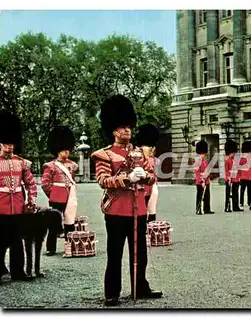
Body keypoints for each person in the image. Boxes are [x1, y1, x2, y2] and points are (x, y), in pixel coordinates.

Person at [90, 95, 163, 306]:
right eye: (122, 127)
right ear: (113, 130)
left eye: (129, 127)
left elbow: (152, 176)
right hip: (116, 210)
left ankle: (140, 287)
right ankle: (112, 293)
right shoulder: (105, 155)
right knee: (115, 254)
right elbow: (103, 180)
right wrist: (126, 179)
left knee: (140, 253)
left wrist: (144, 176)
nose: (127, 131)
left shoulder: (140, 153)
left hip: (138, 209)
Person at [0, 110, 37, 282]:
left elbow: (30, 183)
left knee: (16, 242)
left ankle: (17, 271)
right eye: (6, 144)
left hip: (18, 207)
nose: (10, 147)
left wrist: (31, 198)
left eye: (12, 144)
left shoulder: (21, 163)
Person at [41, 126, 78, 256]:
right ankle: (51, 248)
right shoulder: (50, 166)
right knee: (54, 223)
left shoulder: (72, 165)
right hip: (57, 197)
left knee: (70, 221)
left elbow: (71, 181)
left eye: (67, 149)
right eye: (64, 149)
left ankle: (70, 246)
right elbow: (45, 184)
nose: (66, 152)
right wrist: (53, 195)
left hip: (70, 196)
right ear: (58, 150)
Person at [134, 123, 160, 222]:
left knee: (151, 215)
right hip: (141, 190)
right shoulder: (138, 155)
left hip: (150, 188)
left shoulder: (151, 159)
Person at [194, 140, 214, 215]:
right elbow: (197, 173)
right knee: (200, 196)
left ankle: (207, 209)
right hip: (200, 182)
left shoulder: (205, 161)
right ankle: (198, 209)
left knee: (207, 196)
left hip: (206, 181)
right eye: (202, 153)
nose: (203, 155)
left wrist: (207, 179)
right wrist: (201, 181)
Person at [224, 139, 243, 212]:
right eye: (232, 153)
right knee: (228, 194)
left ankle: (236, 206)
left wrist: (239, 177)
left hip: (236, 179)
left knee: (235, 194)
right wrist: (228, 178)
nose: (233, 154)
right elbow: (226, 170)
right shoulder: (227, 160)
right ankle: (227, 207)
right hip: (229, 179)